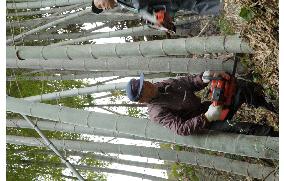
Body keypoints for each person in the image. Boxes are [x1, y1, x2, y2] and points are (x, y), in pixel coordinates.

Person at [126, 71, 278, 137]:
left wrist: (205, 78)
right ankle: (276, 137)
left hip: (209, 108)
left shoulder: (163, 84)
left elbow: (188, 82)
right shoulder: (157, 112)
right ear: (141, 99)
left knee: (239, 89)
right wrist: (207, 117)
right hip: (206, 126)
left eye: (143, 82)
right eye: (143, 87)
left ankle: (274, 106)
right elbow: (181, 129)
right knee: (246, 129)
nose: (147, 84)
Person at [91, 0, 223, 16]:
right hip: (171, 3)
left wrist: (143, 13)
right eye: (102, 9)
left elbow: (140, 4)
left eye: (100, 4)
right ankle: (227, 6)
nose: (104, 7)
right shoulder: (121, 3)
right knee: (198, 5)